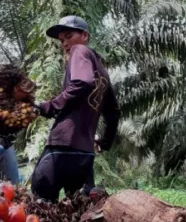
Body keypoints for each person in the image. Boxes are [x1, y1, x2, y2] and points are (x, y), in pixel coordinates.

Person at [31, 15, 120, 202]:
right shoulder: (102, 71)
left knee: (40, 205)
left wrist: (48, 106)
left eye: (69, 36)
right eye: (62, 40)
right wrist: (105, 142)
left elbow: (82, 82)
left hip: (63, 145)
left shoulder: (79, 50)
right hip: (84, 154)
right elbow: (113, 112)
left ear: (85, 36)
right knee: (79, 212)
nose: (64, 43)